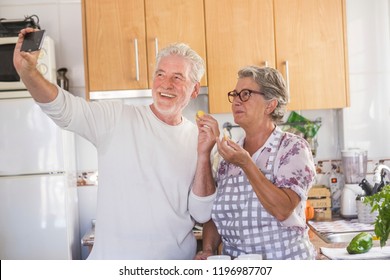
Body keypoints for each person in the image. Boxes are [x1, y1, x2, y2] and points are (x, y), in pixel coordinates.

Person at [14, 28, 216, 260]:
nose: (165, 84)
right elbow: (63, 109)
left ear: (194, 90)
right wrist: (29, 72)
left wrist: (203, 155)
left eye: (177, 77)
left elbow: (202, 214)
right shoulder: (116, 117)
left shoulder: (199, 140)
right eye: (160, 74)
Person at [195, 66, 317, 260]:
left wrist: (246, 164)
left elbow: (282, 209)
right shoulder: (228, 156)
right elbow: (217, 215)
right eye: (235, 94)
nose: (236, 100)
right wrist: (208, 249)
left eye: (245, 94)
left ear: (270, 105)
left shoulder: (292, 148)